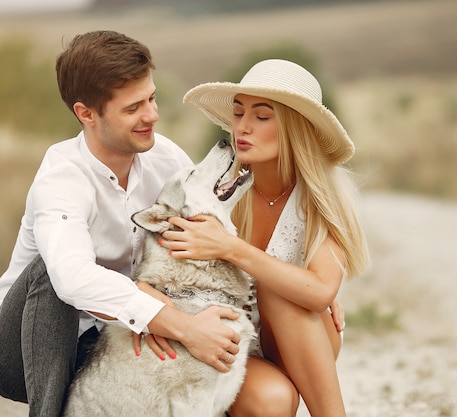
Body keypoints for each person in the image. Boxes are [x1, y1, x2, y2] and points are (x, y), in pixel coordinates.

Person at [0, 30, 242, 417]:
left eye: (151, 99)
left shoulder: (166, 159)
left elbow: (211, 217)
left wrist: (301, 280)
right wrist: (176, 323)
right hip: (21, 350)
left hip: (112, 342)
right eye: (133, 107)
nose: (151, 115)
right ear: (86, 113)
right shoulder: (61, 177)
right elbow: (72, 278)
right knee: (52, 273)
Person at [159, 59, 370, 416]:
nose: (242, 127)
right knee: (274, 401)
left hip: (300, 337)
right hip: (230, 342)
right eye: (239, 113)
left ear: (292, 127)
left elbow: (319, 292)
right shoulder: (216, 190)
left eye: (261, 116)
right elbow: (166, 269)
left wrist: (231, 247)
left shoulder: (319, 197)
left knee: (281, 291)